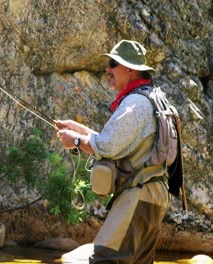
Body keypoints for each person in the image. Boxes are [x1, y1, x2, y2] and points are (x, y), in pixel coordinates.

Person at [56, 40, 170, 263]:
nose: (107, 69)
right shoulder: (149, 98)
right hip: (153, 197)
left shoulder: (135, 104)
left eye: (113, 63)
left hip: (138, 196)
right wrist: (80, 130)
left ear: (130, 69)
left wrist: (76, 141)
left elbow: (107, 146)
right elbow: (116, 143)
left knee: (105, 259)